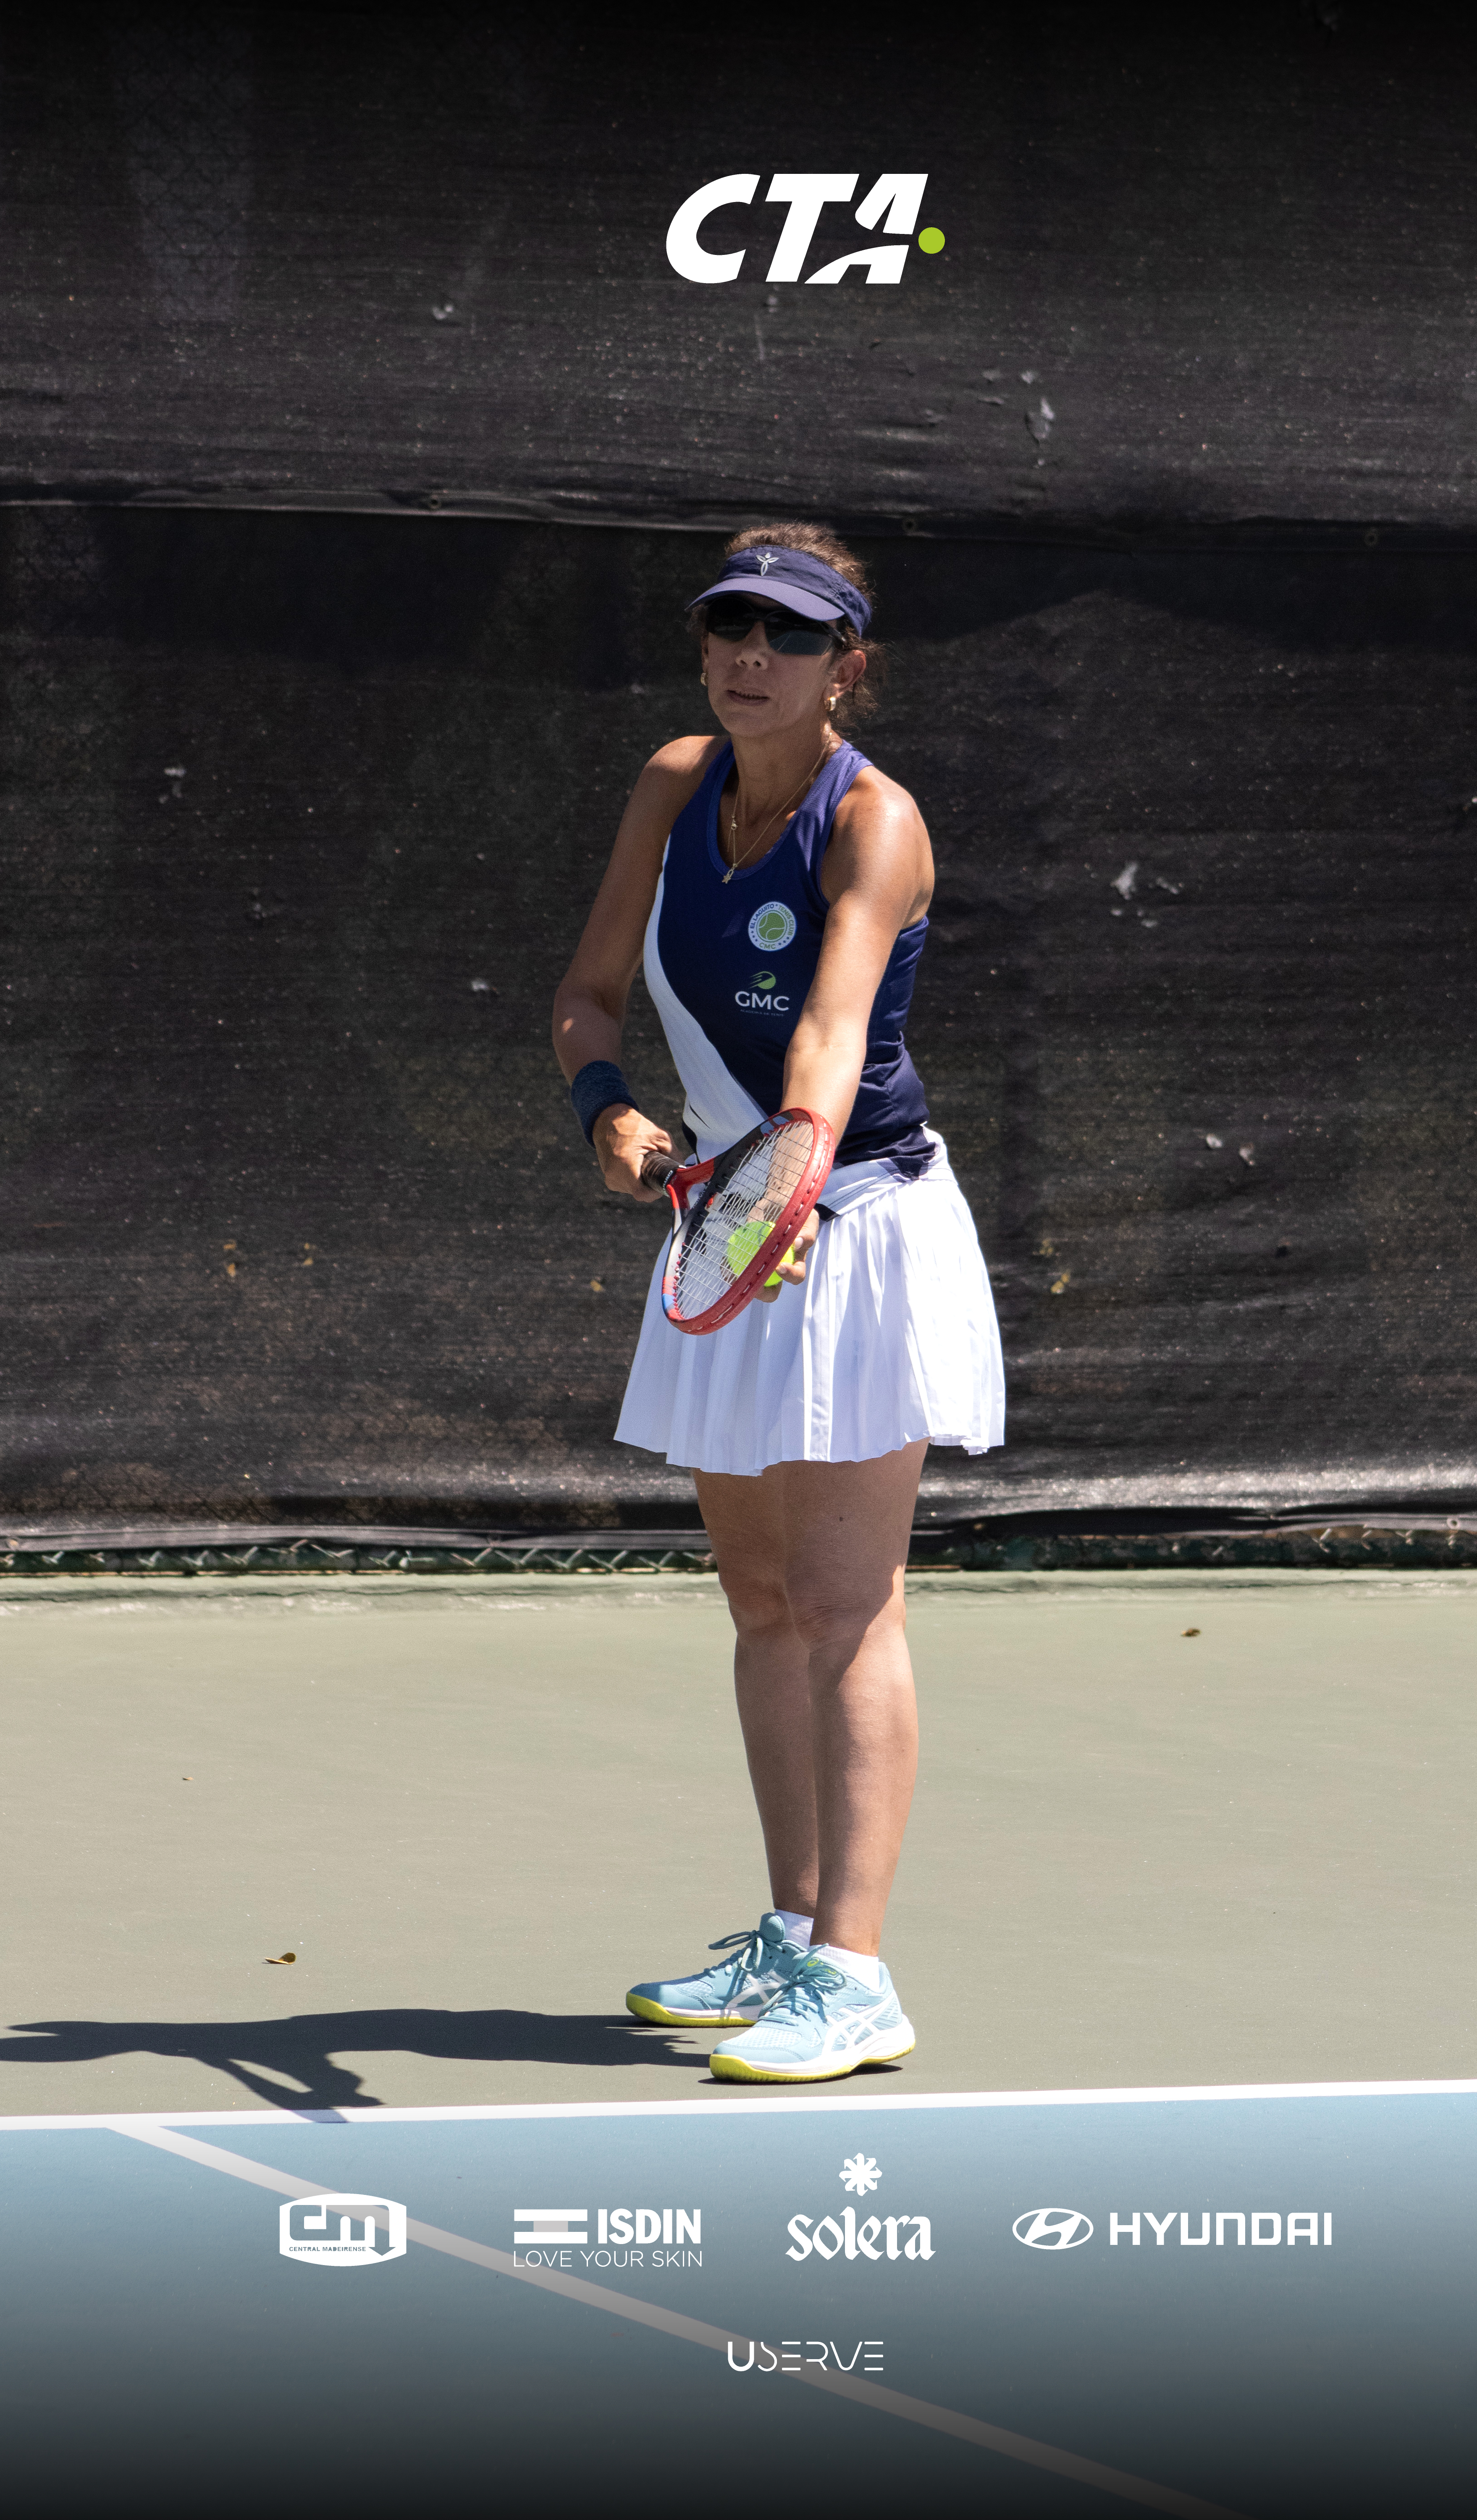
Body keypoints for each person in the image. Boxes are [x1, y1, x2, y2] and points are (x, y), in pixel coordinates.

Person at [551, 523, 1003, 2083]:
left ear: (844, 666)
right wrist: (609, 1106)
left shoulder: (874, 825)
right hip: (730, 1219)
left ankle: (861, 1981)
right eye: (729, 628)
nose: (752, 657)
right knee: (758, 1605)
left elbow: (829, 1034)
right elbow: (586, 997)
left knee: (844, 1603)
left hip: (856, 1230)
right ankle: (795, 1933)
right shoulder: (676, 782)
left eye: (790, 638)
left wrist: (789, 1180)